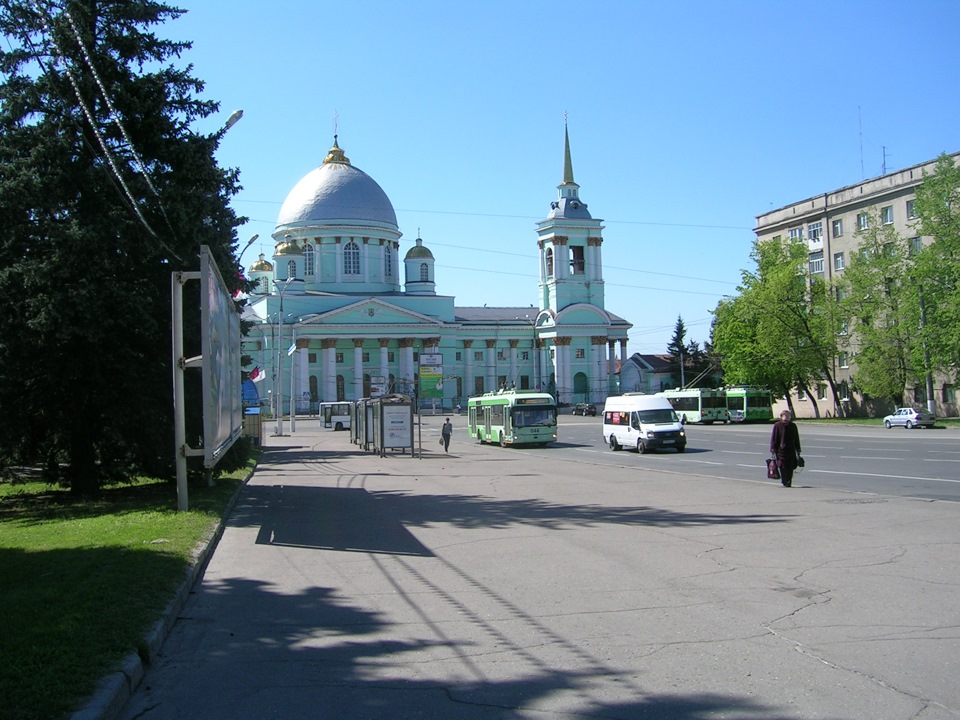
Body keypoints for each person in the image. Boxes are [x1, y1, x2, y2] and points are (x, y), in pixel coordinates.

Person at [769, 409, 801, 487]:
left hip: (791, 450)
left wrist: (798, 449)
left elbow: (796, 438)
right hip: (780, 451)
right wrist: (773, 449)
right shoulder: (777, 425)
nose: (787, 417)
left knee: (791, 466)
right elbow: (774, 438)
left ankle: (789, 481)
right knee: (782, 466)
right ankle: (784, 480)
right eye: (785, 416)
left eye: (788, 416)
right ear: (781, 417)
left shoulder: (793, 425)